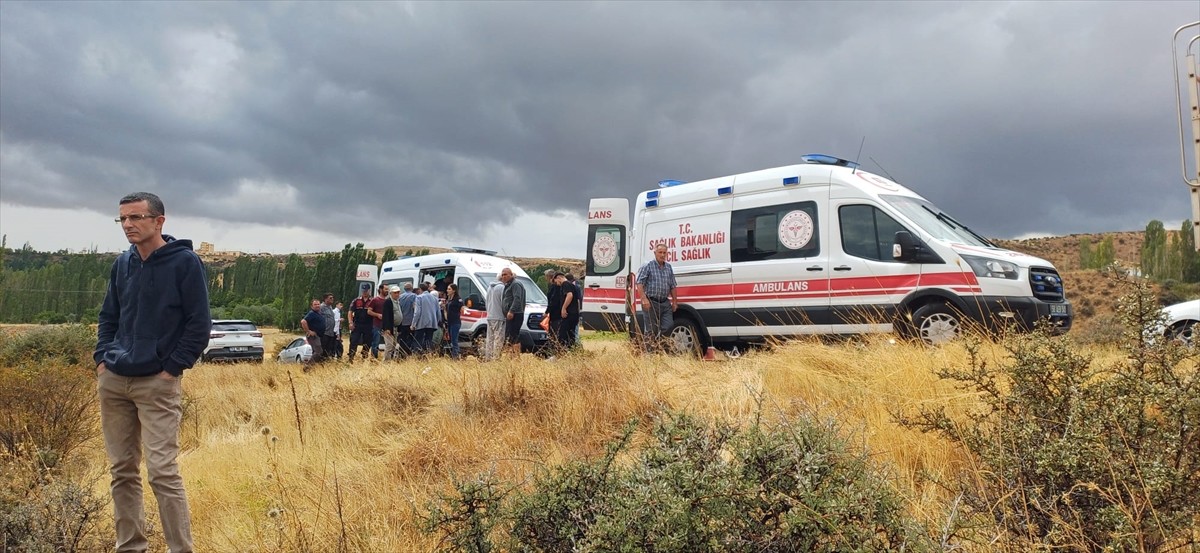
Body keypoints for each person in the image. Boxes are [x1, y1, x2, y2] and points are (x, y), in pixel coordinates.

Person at [94, 192, 210, 553]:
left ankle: (181, 549)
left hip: (156, 382)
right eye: (123, 219)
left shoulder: (185, 263)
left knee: (162, 471)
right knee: (122, 471)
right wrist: (102, 358)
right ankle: (130, 547)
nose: (128, 225)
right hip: (114, 379)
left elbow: (198, 324)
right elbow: (108, 316)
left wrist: (172, 368)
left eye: (136, 218)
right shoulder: (122, 264)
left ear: (159, 221)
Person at [636, 243, 678, 351]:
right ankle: (649, 356)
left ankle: (659, 348)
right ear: (655, 253)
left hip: (664, 303)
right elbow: (639, 282)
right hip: (650, 302)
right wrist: (643, 299)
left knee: (668, 326)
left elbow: (673, 285)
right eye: (660, 252)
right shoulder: (648, 265)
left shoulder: (668, 267)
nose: (662, 255)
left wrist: (674, 302)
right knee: (651, 330)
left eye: (664, 253)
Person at [501, 268, 526, 358]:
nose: (503, 276)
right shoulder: (508, 285)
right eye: (502, 274)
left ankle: (515, 356)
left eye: (505, 274)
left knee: (514, 335)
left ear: (511, 275)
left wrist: (511, 311)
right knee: (510, 335)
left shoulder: (515, 284)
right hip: (510, 314)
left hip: (516, 314)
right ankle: (511, 356)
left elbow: (517, 298)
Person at [411, 283, 440, 355]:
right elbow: (438, 312)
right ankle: (428, 355)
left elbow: (417, 312)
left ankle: (418, 356)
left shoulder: (419, 297)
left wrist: (413, 324)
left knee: (418, 341)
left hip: (421, 323)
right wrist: (437, 321)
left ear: (420, 289)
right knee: (429, 340)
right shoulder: (435, 298)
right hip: (432, 323)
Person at [555, 272, 580, 351]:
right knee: (570, 335)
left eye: (556, 281)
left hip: (569, 314)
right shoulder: (572, 285)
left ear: (559, 278)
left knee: (562, 334)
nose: (557, 284)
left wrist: (564, 308)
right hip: (574, 314)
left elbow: (569, 295)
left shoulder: (565, 284)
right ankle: (571, 351)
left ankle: (561, 352)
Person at [347, 287, 373, 361]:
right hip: (357, 324)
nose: (364, 292)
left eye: (366, 291)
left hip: (368, 324)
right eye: (363, 291)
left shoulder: (372, 300)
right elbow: (350, 312)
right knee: (354, 341)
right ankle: (351, 357)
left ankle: (364, 358)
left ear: (369, 291)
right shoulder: (356, 300)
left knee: (367, 342)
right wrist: (350, 322)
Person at [484, 279, 506, 361]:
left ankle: (488, 357)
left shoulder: (489, 288)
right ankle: (496, 358)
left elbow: (487, 302)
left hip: (490, 315)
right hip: (499, 316)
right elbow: (503, 302)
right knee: (498, 338)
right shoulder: (502, 287)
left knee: (490, 339)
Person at [545, 271, 566, 352]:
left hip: (556, 314)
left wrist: (547, 311)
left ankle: (555, 352)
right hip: (556, 313)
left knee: (554, 333)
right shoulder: (557, 286)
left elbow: (553, 300)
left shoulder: (555, 287)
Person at [301, 299, 327, 363]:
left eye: (318, 304)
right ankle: (307, 366)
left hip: (319, 335)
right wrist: (308, 331)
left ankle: (313, 369)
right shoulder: (311, 313)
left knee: (316, 352)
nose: (317, 306)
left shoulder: (318, 314)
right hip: (314, 336)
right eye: (315, 304)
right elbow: (303, 321)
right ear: (312, 306)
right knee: (318, 352)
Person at [380, 285, 402, 360]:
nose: (397, 294)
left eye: (398, 292)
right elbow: (386, 316)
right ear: (391, 293)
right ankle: (386, 362)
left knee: (393, 345)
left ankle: (390, 360)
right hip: (389, 328)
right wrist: (387, 328)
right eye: (395, 293)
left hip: (395, 327)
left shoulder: (397, 302)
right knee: (389, 345)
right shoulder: (388, 302)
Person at [367, 285, 388, 359]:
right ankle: (373, 358)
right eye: (385, 289)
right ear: (381, 289)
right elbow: (369, 311)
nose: (387, 291)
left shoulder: (387, 300)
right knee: (376, 342)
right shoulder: (375, 300)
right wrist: (377, 315)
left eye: (387, 289)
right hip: (377, 324)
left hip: (385, 325)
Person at [444, 283, 464, 359]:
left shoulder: (457, 299)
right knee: (451, 339)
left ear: (454, 290)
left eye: (449, 289)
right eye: (447, 289)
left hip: (455, 322)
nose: (447, 290)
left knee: (454, 339)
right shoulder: (449, 300)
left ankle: (456, 355)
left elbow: (462, 307)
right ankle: (454, 354)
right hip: (450, 321)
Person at [397, 282, 417, 358]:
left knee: (402, 339)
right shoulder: (414, 296)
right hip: (411, 322)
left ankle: (402, 355)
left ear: (404, 289)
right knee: (411, 339)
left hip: (402, 322)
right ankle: (409, 354)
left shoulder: (400, 297)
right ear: (411, 288)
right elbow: (415, 308)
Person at [320, 293, 338, 360]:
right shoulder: (321, 307)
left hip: (330, 333)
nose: (332, 299)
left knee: (328, 351)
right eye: (330, 298)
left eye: (333, 298)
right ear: (325, 299)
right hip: (324, 332)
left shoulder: (330, 307)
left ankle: (325, 364)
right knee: (322, 349)